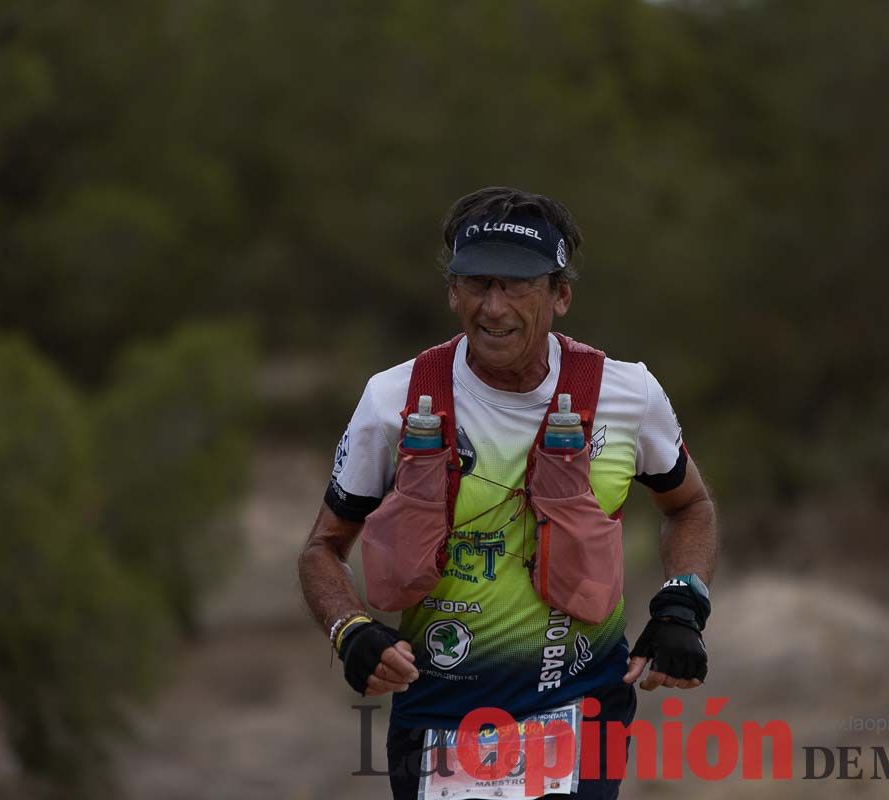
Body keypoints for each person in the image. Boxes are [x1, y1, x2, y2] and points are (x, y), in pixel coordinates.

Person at [298, 186, 718, 800]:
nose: (493, 308)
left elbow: (690, 506)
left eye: (518, 285)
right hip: (439, 719)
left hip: (581, 710)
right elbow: (322, 548)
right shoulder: (393, 400)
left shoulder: (627, 395)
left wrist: (683, 605)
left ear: (560, 295)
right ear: (452, 292)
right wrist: (351, 629)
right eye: (477, 284)